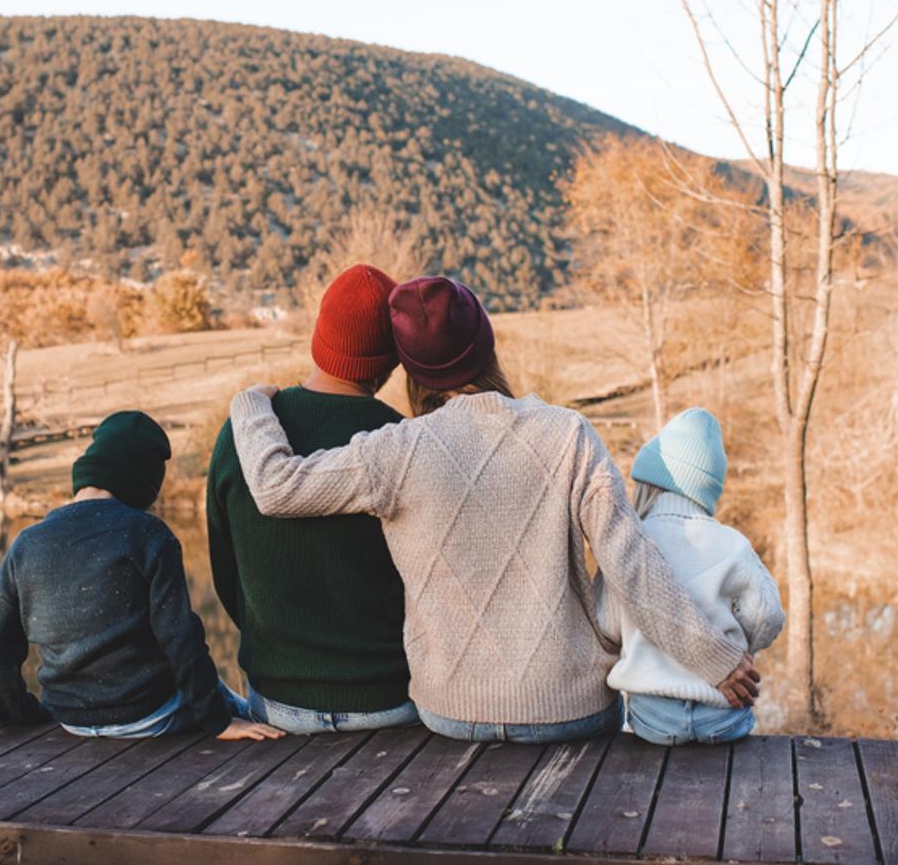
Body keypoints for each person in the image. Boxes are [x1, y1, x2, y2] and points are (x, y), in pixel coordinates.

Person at [229, 276, 758, 744]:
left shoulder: (396, 449)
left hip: (450, 713)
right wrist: (713, 658)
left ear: (410, 369)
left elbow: (276, 487)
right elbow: (630, 563)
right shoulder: (570, 434)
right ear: (487, 345)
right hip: (571, 710)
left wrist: (248, 405)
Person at [0, 410, 283, 741]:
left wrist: (19, 714)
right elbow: (180, 637)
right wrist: (220, 722)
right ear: (140, 483)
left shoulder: (26, 544)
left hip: (70, 719)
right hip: (149, 714)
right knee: (242, 709)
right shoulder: (147, 534)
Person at [207, 263, 416, 733]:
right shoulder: (404, 441)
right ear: (391, 361)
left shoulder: (244, 432)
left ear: (319, 337)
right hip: (393, 703)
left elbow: (225, 573)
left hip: (279, 705)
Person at [596, 409, 784, 746]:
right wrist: (740, 648)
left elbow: (605, 623)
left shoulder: (630, 543)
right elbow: (768, 616)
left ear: (649, 481)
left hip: (654, 719)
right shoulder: (733, 544)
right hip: (722, 715)